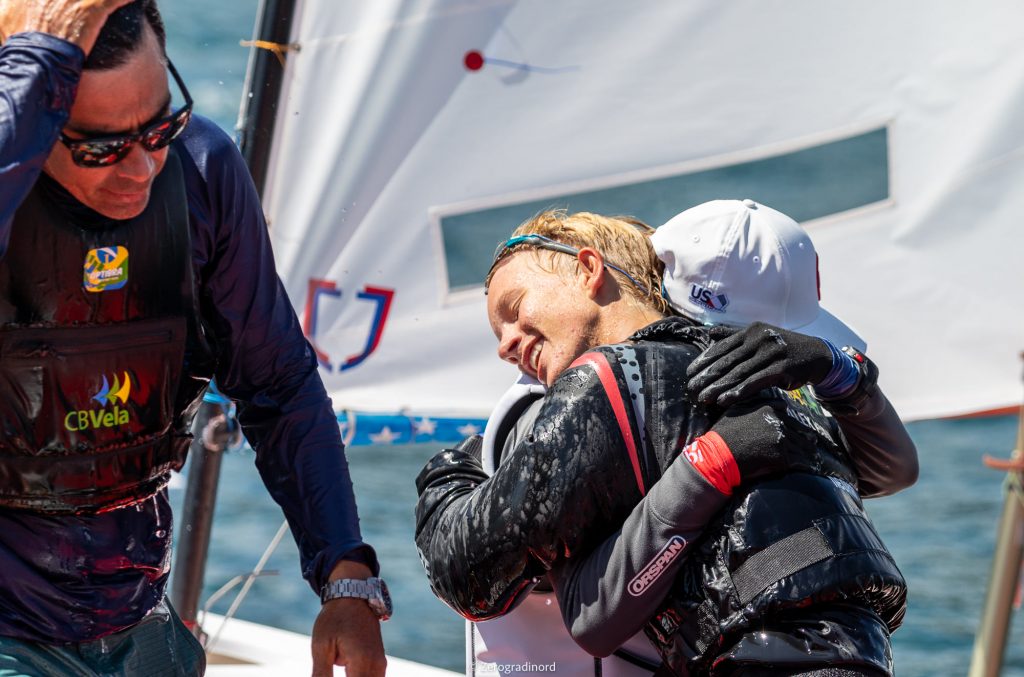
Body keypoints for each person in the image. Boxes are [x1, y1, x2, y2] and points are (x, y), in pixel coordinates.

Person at [0, 2, 386, 675]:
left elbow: (278, 384)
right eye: (101, 148)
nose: (142, 169)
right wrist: (37, 58)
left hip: (134, 617)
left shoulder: (203, 171)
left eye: (158, 127)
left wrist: (345, 575)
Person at [415, 209, 908, 675]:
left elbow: (470, 576)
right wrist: (840, 368)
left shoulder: (609, 379)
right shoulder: (794, 390)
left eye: (514, 307)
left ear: (588, 269)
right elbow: (891, 472)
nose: (504, 346)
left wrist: (450, 472)